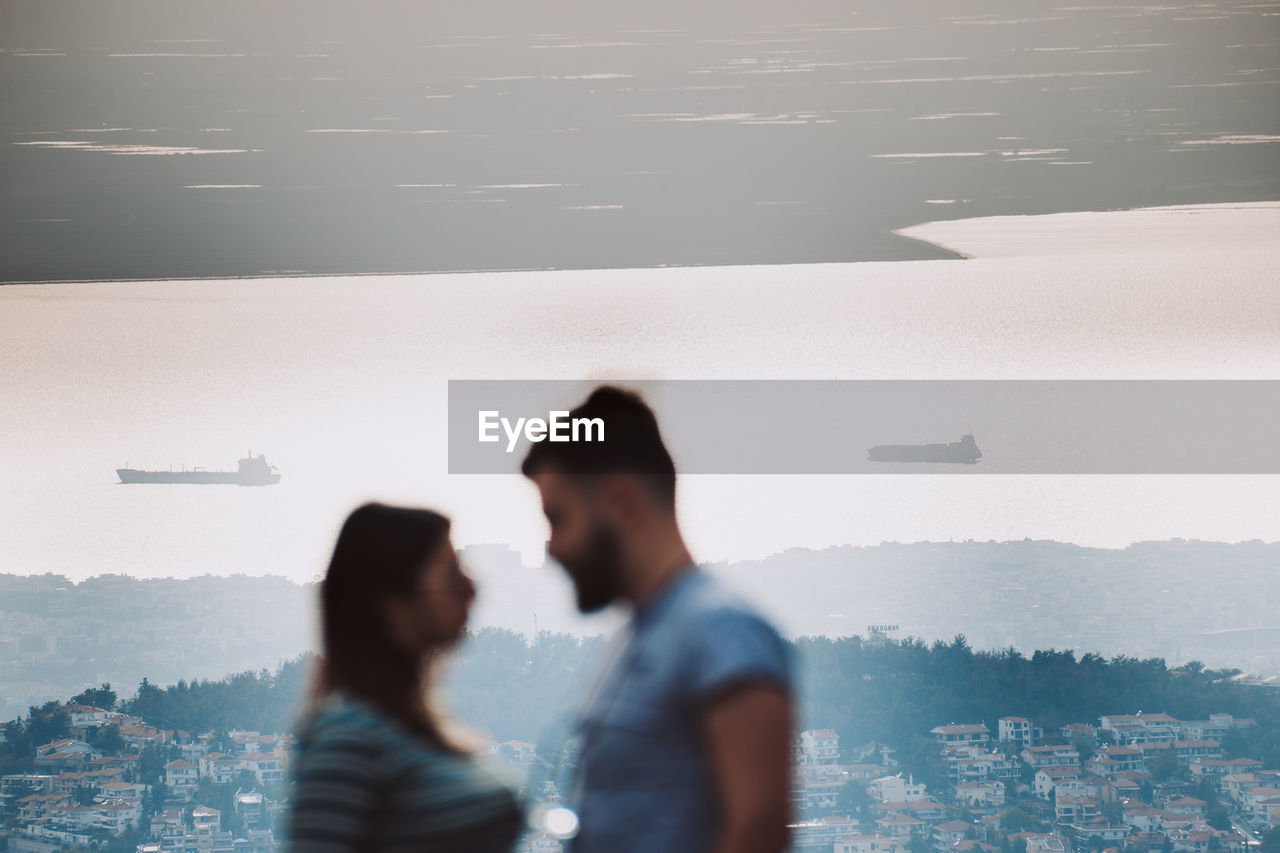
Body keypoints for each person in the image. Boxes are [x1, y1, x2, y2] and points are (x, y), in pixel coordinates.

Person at [522, 386, 794, 853]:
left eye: (558, 519)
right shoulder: (639, 635)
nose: (552, 546)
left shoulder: (721, 633)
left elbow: (760, 829)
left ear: (621, 504)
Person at [287, 503, 521, 853]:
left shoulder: (409, 724)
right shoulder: (347, 739)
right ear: (393, 601)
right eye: (452, 576)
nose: (472, 589)